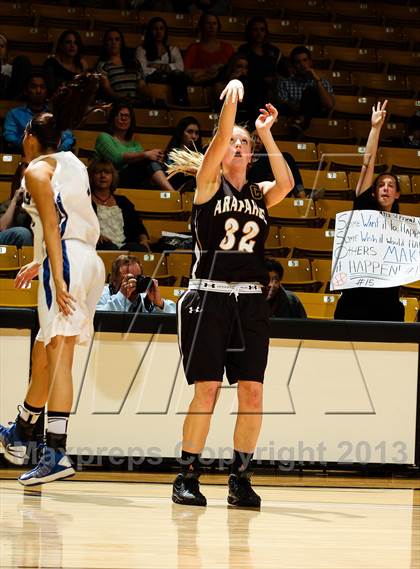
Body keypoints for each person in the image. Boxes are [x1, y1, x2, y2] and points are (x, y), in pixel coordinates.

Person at [168, 79, 294, 508]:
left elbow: (289, 183)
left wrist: (265, 132)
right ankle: (187, 474)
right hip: (208, 299)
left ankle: (240, 478)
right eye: (233, 142)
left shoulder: (260, 193)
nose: (237, 146)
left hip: (250, 301)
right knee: (206, 390)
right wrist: (233, 97)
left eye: (244, 143)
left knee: (253, 392)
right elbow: (221, 136)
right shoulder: (207, 184)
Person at [0, 74, 106, 486]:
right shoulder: (73, 160)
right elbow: (67, 219)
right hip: (89, 260)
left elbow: (49, 225)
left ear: (29, 137)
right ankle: (22, 429)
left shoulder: (35, 172)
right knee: (45, 351)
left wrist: (57, 278)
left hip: (67, 261)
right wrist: (41, 265)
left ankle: (56, 451)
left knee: (59, 356)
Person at [334, 101, 405, 322]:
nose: (385, 188)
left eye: (390, 185)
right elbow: (368, 162)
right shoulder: (364, 209)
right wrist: (375, 129)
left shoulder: (405, 229)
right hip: (355, 300)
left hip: (388, 304)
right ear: (373, 193)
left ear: (397, 194)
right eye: (380, 185)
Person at [94, 100, 175, 191]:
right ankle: (172, 193)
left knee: (152, 171)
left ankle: (174, 192)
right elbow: (116, 158)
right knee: (147, 160)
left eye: (127, 116)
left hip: (132, 182)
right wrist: (145, 154)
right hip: (110, 180)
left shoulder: (135, 144)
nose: (123, 119)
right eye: (121, 115)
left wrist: (155, 156)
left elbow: (141, 162)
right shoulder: (104, 137)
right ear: (113, 118)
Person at [3, 73, 74, 154]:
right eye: (33, 87)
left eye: (42, 87)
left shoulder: (55, 115)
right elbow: (9, 137)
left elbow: (68, 138)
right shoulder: (14, 114)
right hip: (22, 155)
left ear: (46, 91)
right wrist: (31, 150)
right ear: (26, 91)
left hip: (53, 156)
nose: (38, 91)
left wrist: (54, 152)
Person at [88, 159, 150, 251]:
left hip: (125, 244)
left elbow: (138, 226)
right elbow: (81, 225)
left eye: (107, 173)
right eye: (98, 172)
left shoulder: (123, 201)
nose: (103, 176)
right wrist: (95, 235)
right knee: (109, 247)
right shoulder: (85, 201)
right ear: (91, 176)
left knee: (138, 249)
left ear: (113, 177)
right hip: (98, 244)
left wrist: (143, 240)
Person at [237, 17, 288, 120]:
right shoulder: (243, 50)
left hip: (271, 91)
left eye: (262, 29)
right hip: (250, 89)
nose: (259, 33)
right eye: (255, 30)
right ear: (249, 32)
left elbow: (284, 73)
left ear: (266, 32)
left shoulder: (274, 52)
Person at [277, 45, 335, 135]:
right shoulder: (285, 83)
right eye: (298, 62)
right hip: (293, 113)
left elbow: (329, 105)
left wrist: (317, 80)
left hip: (315, 117)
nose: (302, 65)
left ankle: (301, 120)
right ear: (293, 65)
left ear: (310, 62)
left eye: (305, 60)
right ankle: (301, 119)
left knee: (310, 91)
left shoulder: (321, 82)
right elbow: (283, 105)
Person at [135, 17, 189, 106]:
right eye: (155, 29)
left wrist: (159, 66)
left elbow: (180, 67)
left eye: (161, 28)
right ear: (150, 31)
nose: (158, 32)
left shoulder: (172, 49)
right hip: (151, 79)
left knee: (179, 75)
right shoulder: (141, 49)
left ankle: (181, 104)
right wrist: (167, 68)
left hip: (170, 78)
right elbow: (143, 70)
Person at [97, 254, 176, 313]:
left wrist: (160, 304)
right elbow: (95, 318)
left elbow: (177, 317)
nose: (133, 283)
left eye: (137, 278)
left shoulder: (146, 298)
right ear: (114, 279)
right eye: (129, 278)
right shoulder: (101, 294)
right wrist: (122, 297)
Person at [96, 28, 149, 103]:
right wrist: (122, 99)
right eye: (110, 39)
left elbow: (142, 85)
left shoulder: (134, 62)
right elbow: (107, 89)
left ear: (121, 43)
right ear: (105, 43)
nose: (113, 42)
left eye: (117, 39)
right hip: (116, 104)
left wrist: (149, 96)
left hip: (135, 103)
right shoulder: (102, 65)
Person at [183, 12, 235, 89]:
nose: (211, 26)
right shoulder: (194, 48)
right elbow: (185, 71)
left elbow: (234, 69)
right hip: (200, 85)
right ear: (202, 26)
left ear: (218, 26)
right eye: (208, 23)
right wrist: (208, 70)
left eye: (214, 23)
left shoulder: (227, 47)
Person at [248, 130, 306, 198]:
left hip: (272, 192)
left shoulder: (270, 157)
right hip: (251, 192)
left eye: (261, 138)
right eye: (254, 137)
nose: (258, 141)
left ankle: (301, 194)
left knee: (286, 157)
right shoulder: (241, 157)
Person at [43, 30, 89, 94]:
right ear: (61, 45)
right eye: (68, 42)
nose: (72, 46)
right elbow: (50, 90)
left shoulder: (82, 64)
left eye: (75, 43)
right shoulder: (51, 63)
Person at [165, 116, 203, 190]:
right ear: (181, 133)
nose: (194, 136)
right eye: (189, 132)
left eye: (197, 133)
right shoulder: (171, 154)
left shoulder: (202, 154)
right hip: (177, 187)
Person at [0, 162, 33, 247]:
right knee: (23, 233)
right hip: (11, 244)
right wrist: (14, 200)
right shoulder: (8, 205)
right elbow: (3, 228)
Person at [0, 32, 32, 100]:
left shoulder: (14, 67)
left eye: (2, 46)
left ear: (6, 50)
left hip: (11, 95)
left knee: (23, 60)